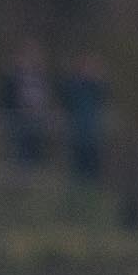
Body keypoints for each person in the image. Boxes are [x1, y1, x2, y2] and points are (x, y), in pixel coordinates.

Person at [0, 40, 52, 173]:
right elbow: (6, 96)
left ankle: (32, 175)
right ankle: (18, 178)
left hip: (36, 118)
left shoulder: (40, 76)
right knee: (18, 150)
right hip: (18, 118)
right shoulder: (12, 76)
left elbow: (44, 96)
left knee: (34, 150)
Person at [58, 53, 109, 186]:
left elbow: (104, 98)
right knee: (78, 170)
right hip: (78, 135)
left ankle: (91, 192)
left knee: (93, 171)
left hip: (93, 135)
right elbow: (66, 101)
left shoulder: (96, 88)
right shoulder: (74, 87)